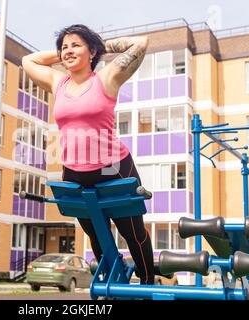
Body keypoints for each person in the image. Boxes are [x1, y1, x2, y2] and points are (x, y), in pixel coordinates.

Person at [22, 24, 154, 284]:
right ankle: (115, 284)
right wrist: (67, 53)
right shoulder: (57, 82)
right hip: (74, 172)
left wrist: (97, 44)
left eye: (76, 45)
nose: (68, 51)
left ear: (92, 51)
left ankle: (148, 282)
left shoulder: (107, 78)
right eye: (64, 47)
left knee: (133, 232)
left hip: (112, 167)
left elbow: (141, 42)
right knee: (97, 234)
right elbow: (28, 60)